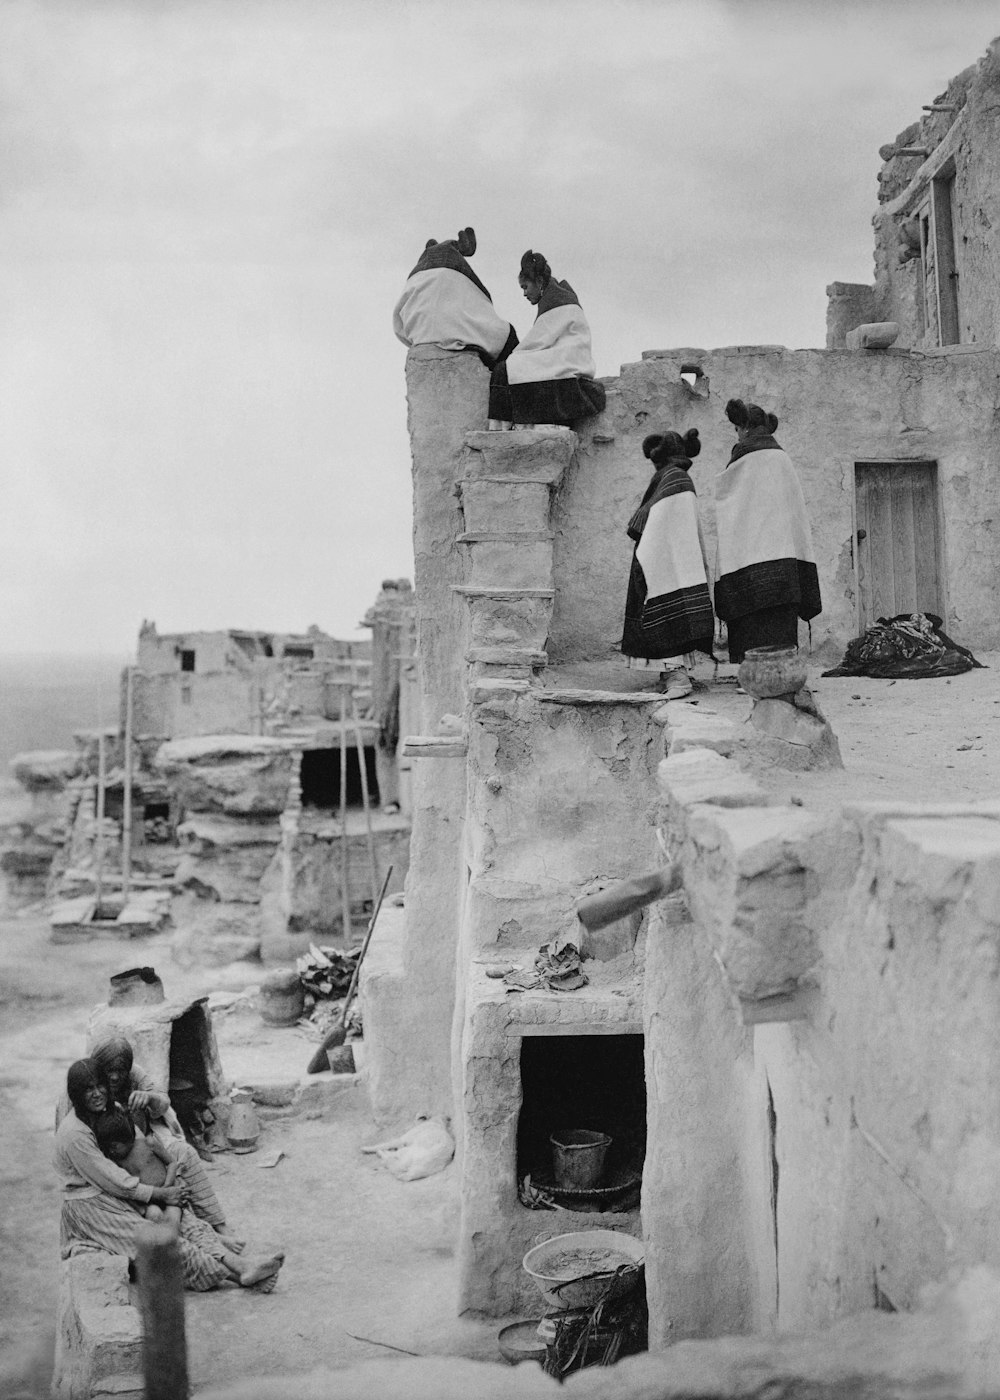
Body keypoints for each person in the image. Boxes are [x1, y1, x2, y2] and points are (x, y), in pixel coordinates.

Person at [55, 1061, 284, 1292]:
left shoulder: (109, 1109)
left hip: (124, 1189)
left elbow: (136, 1145)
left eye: (99, 1086)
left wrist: (163, 1182)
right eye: (88, 1090)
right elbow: (113, 1179)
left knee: (186, 1220)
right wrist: (162, 1194)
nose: (96, 1094)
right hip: (91, 1205)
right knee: (159, 1239)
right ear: (76, 1094)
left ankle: (242, 1266)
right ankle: (236, 1276)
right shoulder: (74, 1134)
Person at [715, 399, 821, 663]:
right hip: (783, 561)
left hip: (747, 563)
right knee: (780, 624)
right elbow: (794, 511)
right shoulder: (781, 458)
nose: (737, 436)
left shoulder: (741, 461)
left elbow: (730, 506)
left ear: (744, 427)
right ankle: (781, 673)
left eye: (737, 429)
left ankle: (749, 675)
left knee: (749, 618)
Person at [90, 1035, 229, 1232]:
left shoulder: (134, 1074)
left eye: (120, 1071)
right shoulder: (90, 1083)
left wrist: (149, 1098)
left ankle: (219, 1225)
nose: (114, 1077)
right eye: (109, 1070)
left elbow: (163, 1102)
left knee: (185, 1153)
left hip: (143, 1140)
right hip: (112, 1152)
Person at [620, 429, 715, 699]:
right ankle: (668, 675)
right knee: (673, 610)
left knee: (665, 611)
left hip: (666, 562)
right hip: (673, 560)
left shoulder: (674, 478)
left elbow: (653, 520)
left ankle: (677, 677)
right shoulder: (675, 477)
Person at [488, 250, 606, 429]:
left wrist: (513, 357)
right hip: (567, 359)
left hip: (568, 363)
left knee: (506, 369)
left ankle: (502, 428)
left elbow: (535, 343)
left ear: (540, 282)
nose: (524, 294)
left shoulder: (556, 301)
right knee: (513, 367)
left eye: (525, 287)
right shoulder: (556, 296)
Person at [393, 226, 518, 369]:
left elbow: (399, 325)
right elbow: (500, 338)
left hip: (420, 340)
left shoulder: (417, 290)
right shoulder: (457, 287)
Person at [94, 1106, 183, 1229]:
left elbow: (172, 1163)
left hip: (169, 1193)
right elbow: (125, 1188)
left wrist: (167, 1186)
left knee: (174, 1221)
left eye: (114, 1146)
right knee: (154, 1215)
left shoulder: (149, 1143)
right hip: (148, 1202)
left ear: (128, 1138)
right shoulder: (116, 1161)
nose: (111, 1151)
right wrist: (141, 1209)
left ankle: (177, 1238)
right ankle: (165, 1239)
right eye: (107, 1148)